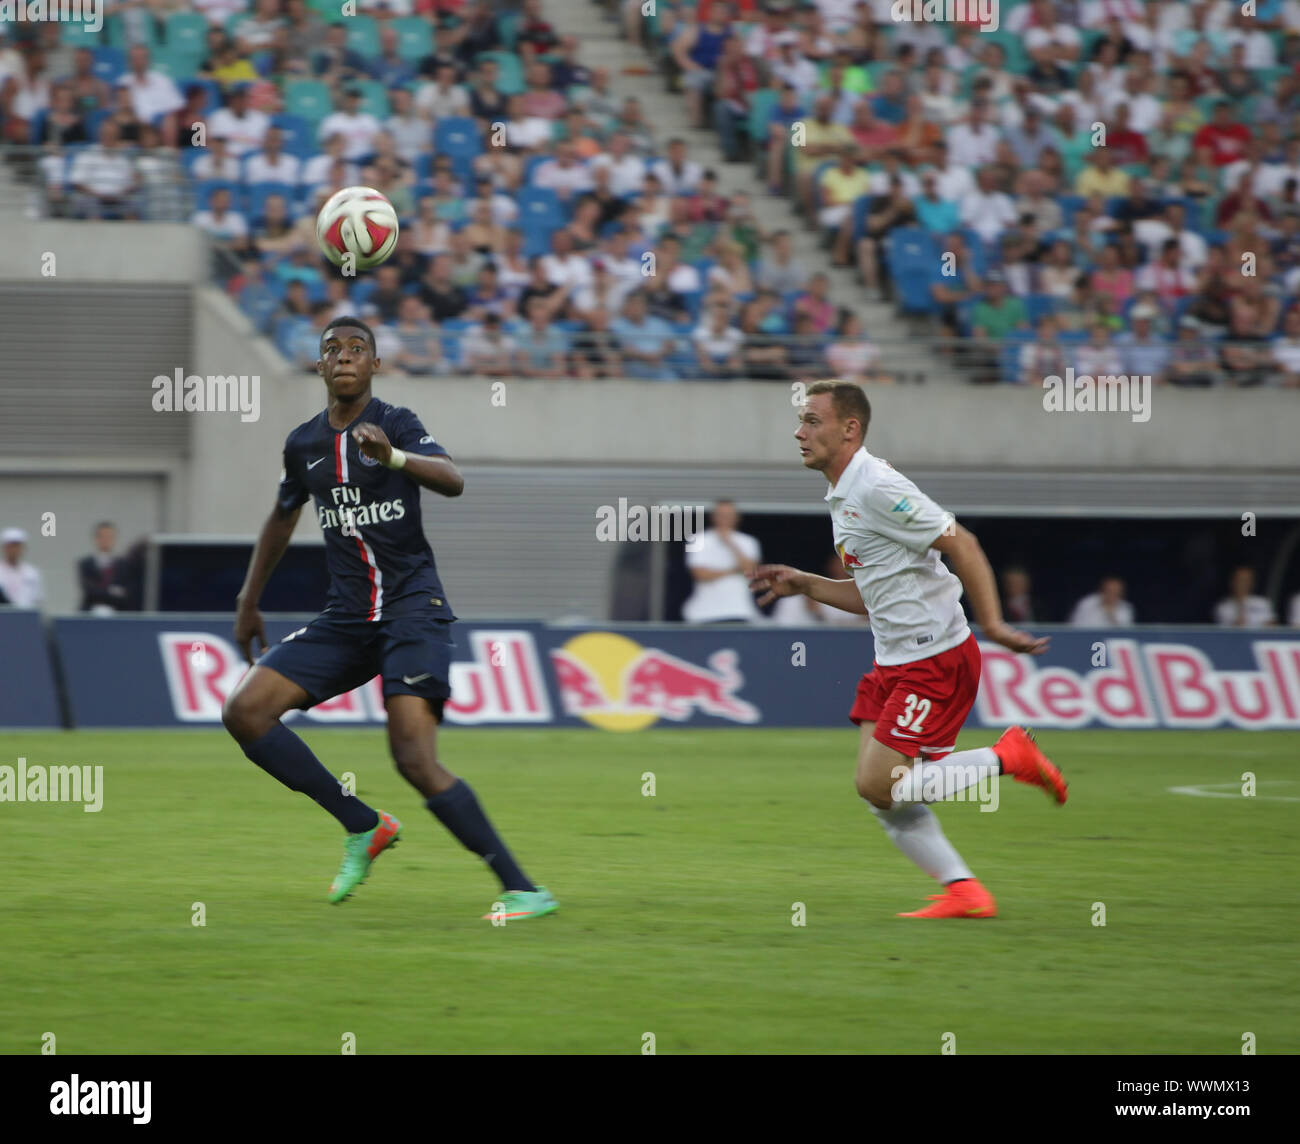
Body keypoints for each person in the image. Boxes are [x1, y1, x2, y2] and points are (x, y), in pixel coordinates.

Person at [222, 317, 556, 922]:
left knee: (412, 757)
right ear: (319, 367)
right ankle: (362, 823)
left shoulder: (397, 423)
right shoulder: (302, 445)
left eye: (357, 349)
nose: (343, 357)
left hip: (411, 610)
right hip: (347, 618)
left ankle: (523, 888)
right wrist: (249, 600)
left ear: (374, 365)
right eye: (332, 349)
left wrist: (394, 457)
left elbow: (453, 481)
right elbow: (281, 515)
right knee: (244, 711)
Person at [749, 381, 1067, 919]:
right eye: (800, 422)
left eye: (811, 421)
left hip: (933, 659)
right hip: (894, 660)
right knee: (882, 794)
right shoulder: (845, 492)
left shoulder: (874, 486)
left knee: (880, 784)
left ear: (849, 429)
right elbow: (872, 596)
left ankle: (1010, 755)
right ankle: (964, 890)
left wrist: (992, 622)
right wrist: (806, 584)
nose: (799, 432)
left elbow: (960, 541)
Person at [681, 500, 761, 623]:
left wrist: (730, 543)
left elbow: (750, 571)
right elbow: (700, 574)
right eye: (721, 515)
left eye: (729, 515)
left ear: (737, 518)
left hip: (740, 611)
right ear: (713, 517)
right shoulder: (698, 540)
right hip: (704, 613)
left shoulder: (749, 542)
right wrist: (734, 570)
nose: (725, 519)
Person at [771, 553, 871, 626]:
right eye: (837, 562)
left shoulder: (863, 594)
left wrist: (820, 614)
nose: (840, 567)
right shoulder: (793, 601)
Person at [77, 521, 131, 613]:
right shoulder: (85, 564)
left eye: (110, 537)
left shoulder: (124, 564)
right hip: (90, 611)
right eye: (102, 536)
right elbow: (90, 591)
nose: (106, 540)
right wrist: (112, 591)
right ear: (96, 539)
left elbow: (127, 592)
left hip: (118, 612)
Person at [0, 527, 44, 609]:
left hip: (26, 617)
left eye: (17, 546)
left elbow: (38, 599)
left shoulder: (31, 572)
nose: (14, 550)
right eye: (10, 546)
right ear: (4, 548)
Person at [1069, 576, 1135, 627]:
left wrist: (1111, 616)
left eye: (1115, 592)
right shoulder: (1087, 603)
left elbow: (1126, 632)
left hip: (1110, 642)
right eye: (1109, 591)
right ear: (1102, 590)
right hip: (1085, 639)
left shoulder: (1126, 608)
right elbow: (1073, 625)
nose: (1111, 594)